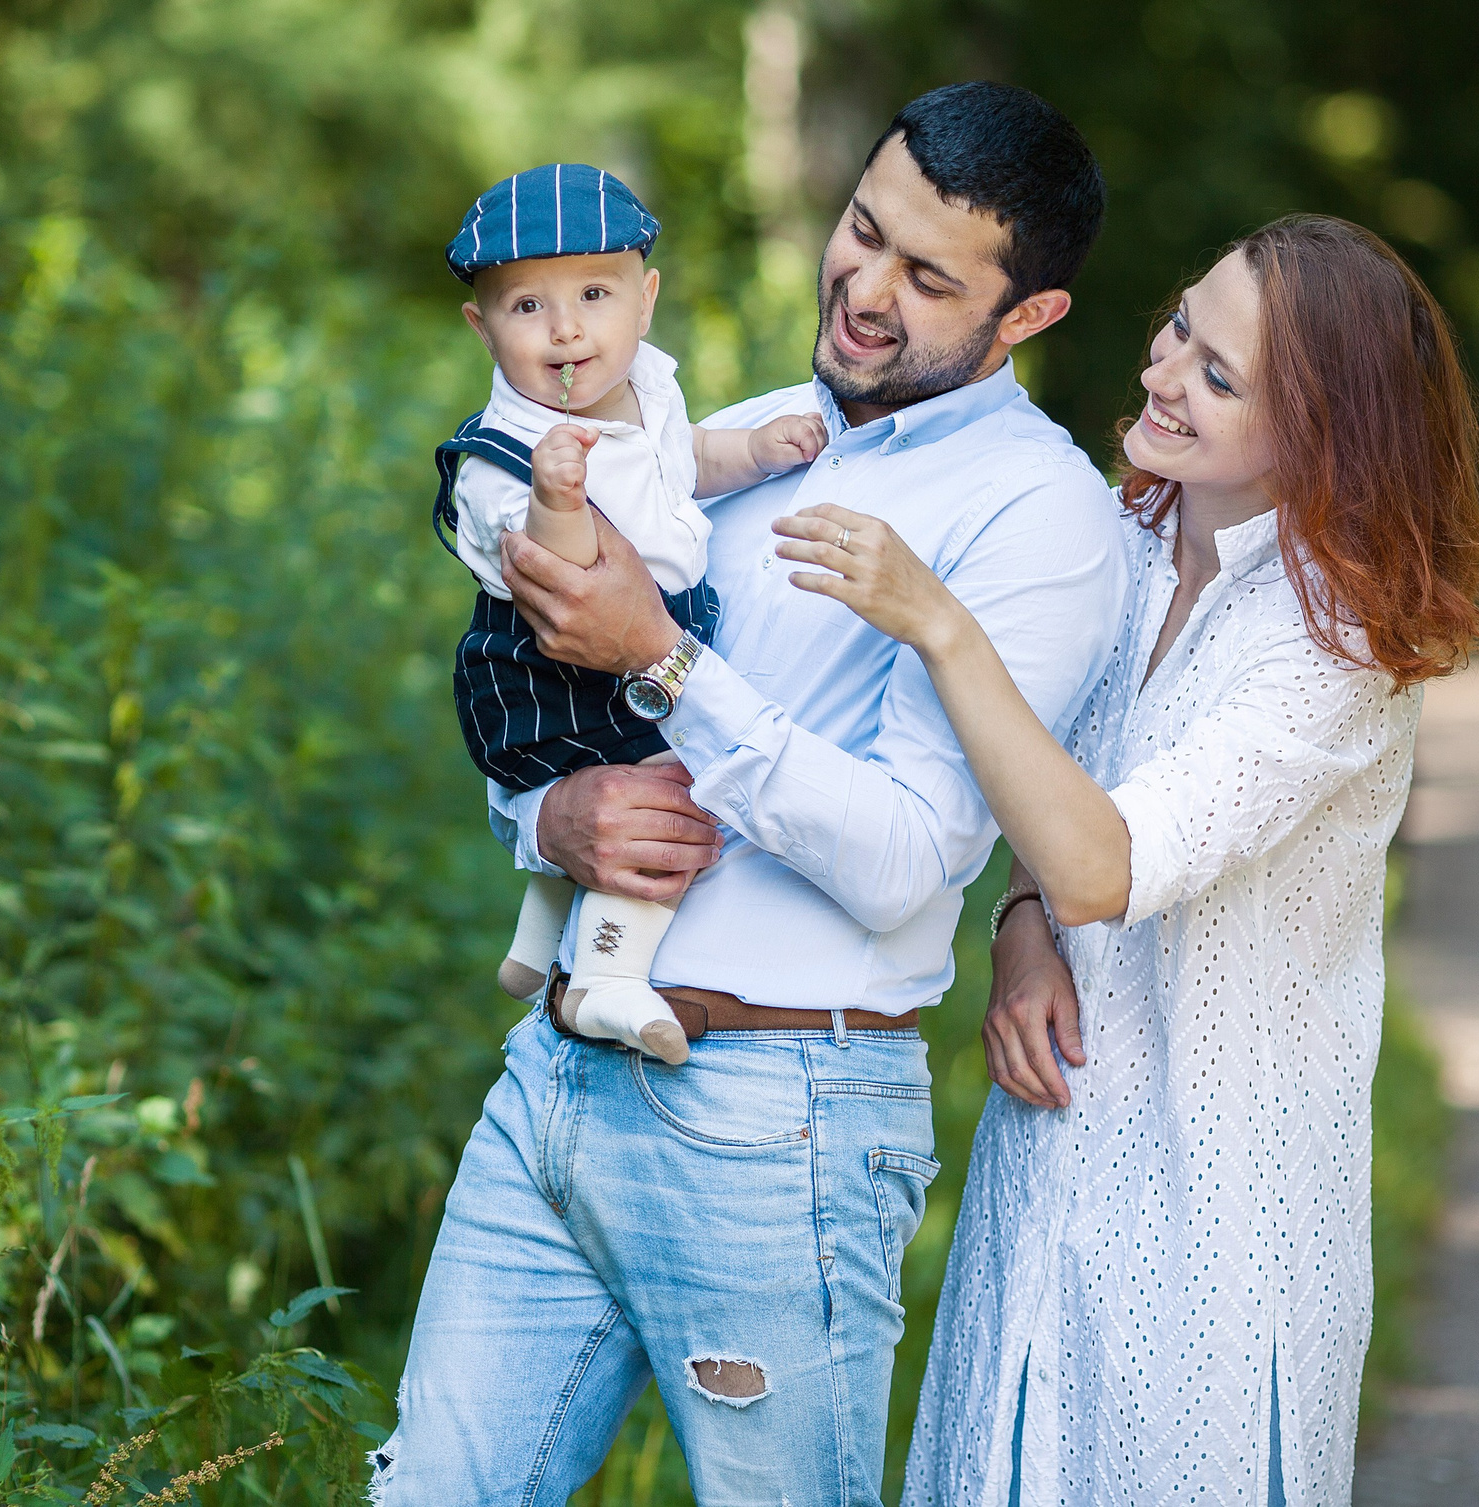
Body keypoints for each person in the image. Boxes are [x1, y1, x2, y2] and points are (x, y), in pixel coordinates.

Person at [371, 82, 1129, 1504]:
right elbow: (549, 693)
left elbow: (911, 858)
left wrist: (662, 663)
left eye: (928, 274)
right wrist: (549, 817)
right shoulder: (744, 430)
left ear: (1029, 317)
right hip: (559, 1067)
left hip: (776, 1120)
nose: (863, 288)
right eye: (861, 231)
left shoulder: (1040, 517)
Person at [773, 215, 1479, 1505]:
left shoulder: (1333, 653)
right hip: (1046, 1162)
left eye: (1220, 378)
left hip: (1218, 1223)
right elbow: (1047, 819)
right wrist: (1015, 923)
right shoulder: (1114, 541)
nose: (1162, 374)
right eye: (1182, 326)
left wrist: (941, 625)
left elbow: (1104, 867)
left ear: (1323, 436)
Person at [434, 163, 828, 1064]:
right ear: (483, 328)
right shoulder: (503, 459)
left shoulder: (647, 388)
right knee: (666, 791)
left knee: (613, 784)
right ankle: (610, 976)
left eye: (596, 293)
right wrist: (558, 501)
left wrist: (757, 450)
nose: (567, 326)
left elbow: (677, 463)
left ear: (644, 302)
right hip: (557, 660)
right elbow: (565, 584)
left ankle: (537, 941)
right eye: (526, 306)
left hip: (639, 631)